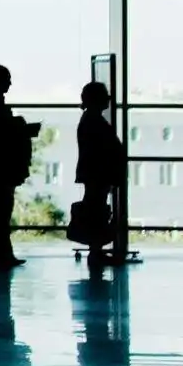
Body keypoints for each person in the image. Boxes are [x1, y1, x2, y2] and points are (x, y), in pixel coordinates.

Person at [0, 64, 40, 271]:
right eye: (7, 79)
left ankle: (0, 254)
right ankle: (0, 254)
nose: (10, 84)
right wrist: (21, 128)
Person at [72, 79, 124, 267]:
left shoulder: (90, 120)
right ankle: (96, 252)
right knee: (96, 211)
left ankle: (97, 250)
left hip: (95, 173)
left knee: (95, 210)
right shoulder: (94, 121)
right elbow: (103, 149)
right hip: (98, 173)